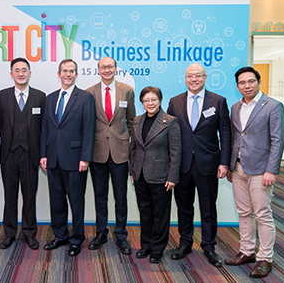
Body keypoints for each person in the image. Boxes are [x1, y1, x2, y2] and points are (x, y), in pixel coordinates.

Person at [167, 63, 231, 267]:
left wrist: (224, 163)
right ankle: (185, 243)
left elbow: (226, 134)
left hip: (208, 164)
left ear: (205, 77)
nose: (193, 79)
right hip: (182, 165)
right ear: (184, 79)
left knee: (208, 208)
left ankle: (209, 246)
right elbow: (170, 134)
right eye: (189, 76)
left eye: (198, 76)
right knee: (184, 208)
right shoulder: (174, 101)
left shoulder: (218, 101)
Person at [224, 67, 284, 278]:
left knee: (262, 214)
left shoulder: (273, 106)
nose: (247, 86)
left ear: (259, 82)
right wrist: (232, 165)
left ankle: (265, 258)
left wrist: (271, 170)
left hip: (261, 170)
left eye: (251, 81)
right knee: (243, 212)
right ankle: (247, 251)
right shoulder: (235, 107)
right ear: (237, 86)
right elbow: (235, 137)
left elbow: (278, 140)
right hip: (239, 167)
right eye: (242, 83)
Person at [40, 59, 96, 257]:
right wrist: (43, 154)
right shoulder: (51, 98)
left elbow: (89, 130)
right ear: (58, 73)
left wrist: (85, 158)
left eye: (72, 71)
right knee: (56, 201)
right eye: (64, 71)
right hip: (53, 160)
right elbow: (45, 128)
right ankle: (60, 236)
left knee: (76, 202)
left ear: (76, 74)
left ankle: (77, 239)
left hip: (75, 160)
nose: (68, 74)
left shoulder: (85, 98)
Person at [85, 57, 135, 255]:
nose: (107, 70)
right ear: (98, 69)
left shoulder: (127, 90)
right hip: (97, 152)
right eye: (103, 67)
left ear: (115, 69)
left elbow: (131, 121)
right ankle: (101, 232)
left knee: (120, 197)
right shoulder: (89, 93)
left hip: (120, 153)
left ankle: (121, 235)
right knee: (100, 196)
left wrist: (125, 141)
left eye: (110, 66)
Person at [0, 58, 46, 250]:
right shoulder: (2, 96)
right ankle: (9, 234)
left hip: (30, 154)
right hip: (8, 155)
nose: (21, 73)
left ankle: (29, 233)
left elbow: (42, 127)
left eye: (24, 70)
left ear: (30, 73)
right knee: (10, 196)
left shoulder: (40, 97)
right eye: (16, 70)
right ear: (11, 74)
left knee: (29, 196)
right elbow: (0, 124)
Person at [130, 86, 181, 263]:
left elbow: (176, 152)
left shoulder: (170, 121)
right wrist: (132, 170)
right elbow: (134, 148)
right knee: (145, 212)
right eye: (146, 100)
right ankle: (146, 246)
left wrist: (173, 177)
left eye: (153, 99)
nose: (150, 103)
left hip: (161, 176)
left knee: (160, 214)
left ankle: (158, 248)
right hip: (140, 175)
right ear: (142, 102)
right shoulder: (137, 120)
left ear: (160, 101)